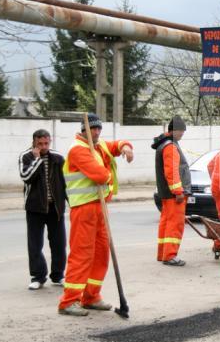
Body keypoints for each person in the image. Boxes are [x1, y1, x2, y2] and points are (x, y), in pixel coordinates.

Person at [58, 113, 134, 317]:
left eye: (99, 128)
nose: (97, 132)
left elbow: (115, 145)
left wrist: (125, 147)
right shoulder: (78, 150)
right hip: (83, 209)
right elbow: (100, 175)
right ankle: (69, 301)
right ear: (84, 130)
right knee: (82, 254)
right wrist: (107, 175)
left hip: (99, 208)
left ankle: (91, 296)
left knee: (101, 253)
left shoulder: (97, 146)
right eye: (93, 129)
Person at [19, 129, 67, 290]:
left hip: (55, 208)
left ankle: (58, 275)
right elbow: (26, 177)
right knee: (35, 245)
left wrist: (71, 203)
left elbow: (66, 183)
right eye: (40, 144)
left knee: (59, 243)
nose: (44, 146)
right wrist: (37, 159)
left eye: (46, 143)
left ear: (50, 141)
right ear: (34, 142)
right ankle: (38, 277)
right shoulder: (25, 156)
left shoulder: (58, 157)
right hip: (35, 208)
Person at [153, 116, 191, 267]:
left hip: (166, 194)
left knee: (166, 223)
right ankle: (170, 255)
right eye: (181, 131)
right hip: (173, 195)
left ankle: (163, 253)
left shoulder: (164, 145)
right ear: (174, 131)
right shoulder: (170, 146)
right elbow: (172, 172)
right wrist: (178, 191)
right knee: (175, 225)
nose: (182, 134)